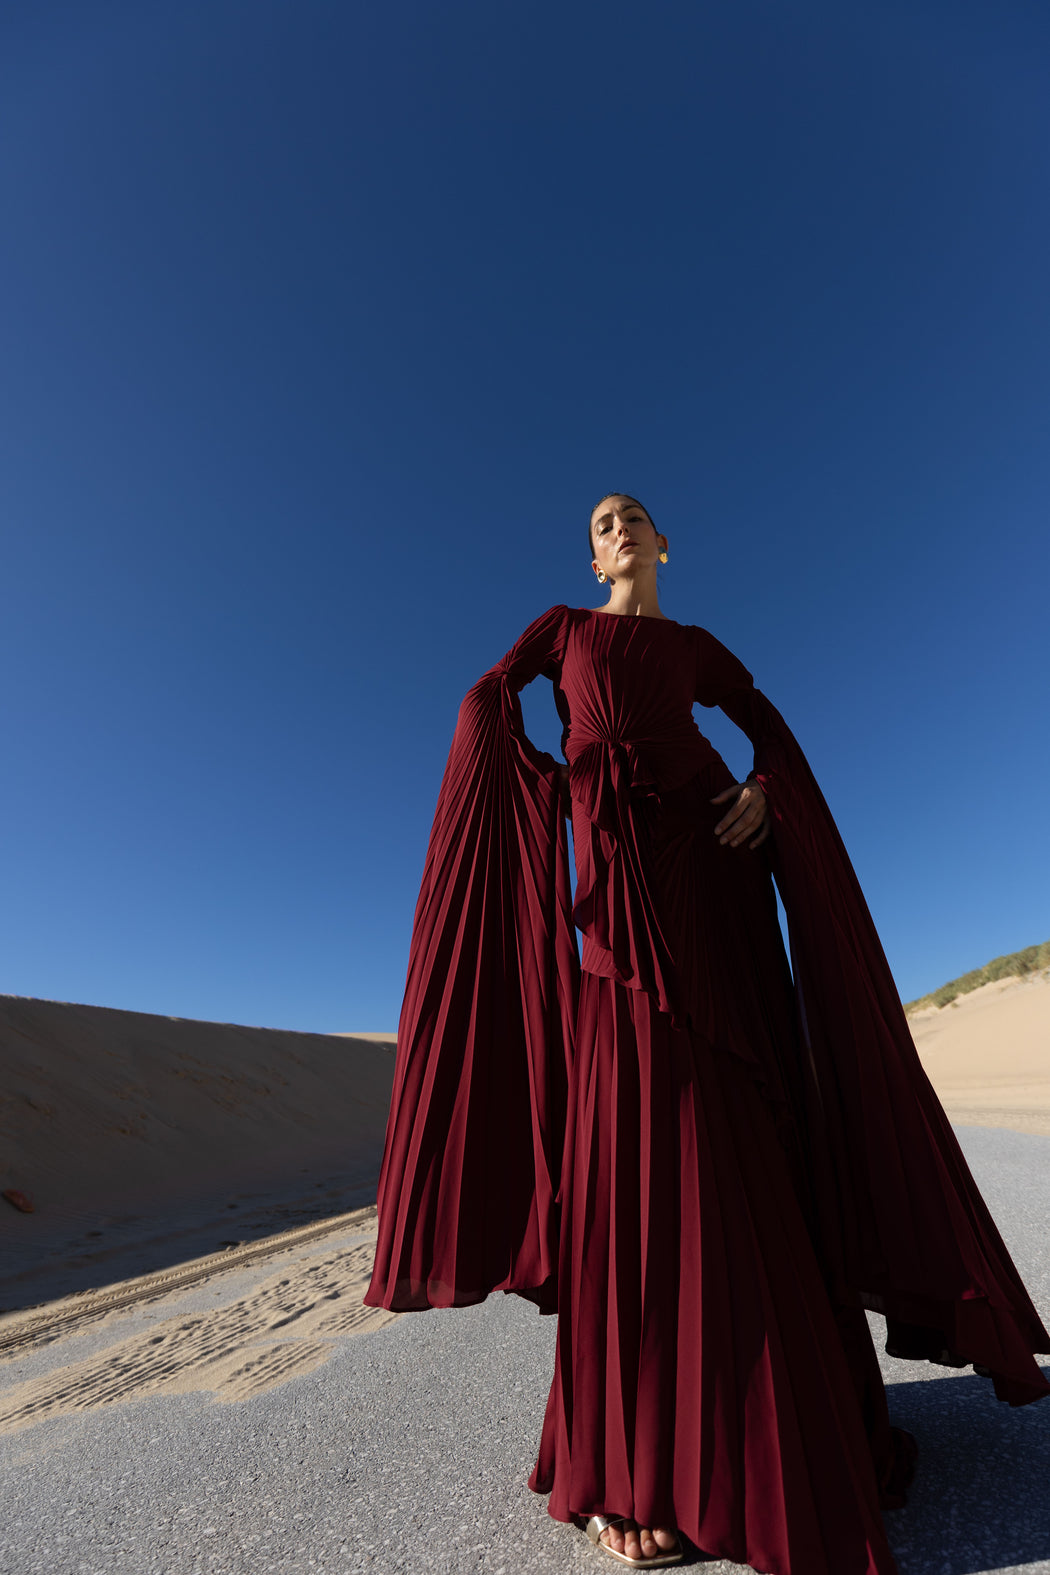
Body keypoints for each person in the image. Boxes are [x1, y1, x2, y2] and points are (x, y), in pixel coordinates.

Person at [365, 494, 1049, 1574]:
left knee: (745, 1139)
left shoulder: (693, 647)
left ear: (665, 543)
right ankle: (630, 1467)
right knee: (635, 1156)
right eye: (601, 523)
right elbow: (485, 702)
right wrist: (545, 781)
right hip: (619, 909)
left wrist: (769, 793)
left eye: (634, 517)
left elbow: (766, 726)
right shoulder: (560, 630)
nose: (619, 529)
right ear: (587, 556)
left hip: (718, 891)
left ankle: (782, 1433)